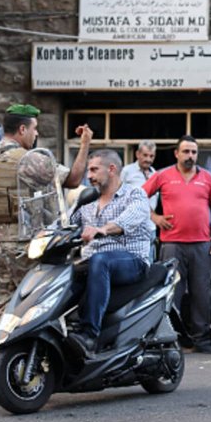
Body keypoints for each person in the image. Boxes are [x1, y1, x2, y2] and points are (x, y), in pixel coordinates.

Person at [0, 104, 92, 323]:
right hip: (24, 248)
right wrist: (84, 145)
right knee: (32, 308)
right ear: (22, 129)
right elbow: (74, 179)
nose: (36, 133)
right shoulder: (31, 160)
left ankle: (6, 355)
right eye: (34, 128)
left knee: (3, 312)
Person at [65, 150, 153, 357]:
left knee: (100, 261)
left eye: (94, 170)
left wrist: (102, 229)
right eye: (89, 170)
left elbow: (131, 218)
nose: (89, 176)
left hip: (132, 259)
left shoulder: (134, 194)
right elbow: (67, 223)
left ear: (111, 169)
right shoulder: (87, 201)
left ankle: (89, 334)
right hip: (94, 260)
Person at [143, 135, 211, 354]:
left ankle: (202, 341)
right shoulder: (163, 176)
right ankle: (169, 341)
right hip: (172, 246)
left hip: (201, 246)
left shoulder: (207, 178)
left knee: (201, 294)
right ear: (176, 153)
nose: (190, 156)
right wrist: (155, 217)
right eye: (186, 151)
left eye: (194, 152)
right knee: (171, 295)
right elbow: (138, 197)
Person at [121, 140, 158, 259]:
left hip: (150, 227)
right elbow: (117, 194)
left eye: (151, 156)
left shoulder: (155, 174)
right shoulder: (127, 171)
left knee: (149, 261)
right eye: (145, 155)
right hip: (132, 227)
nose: (148, 159)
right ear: (137, 154)